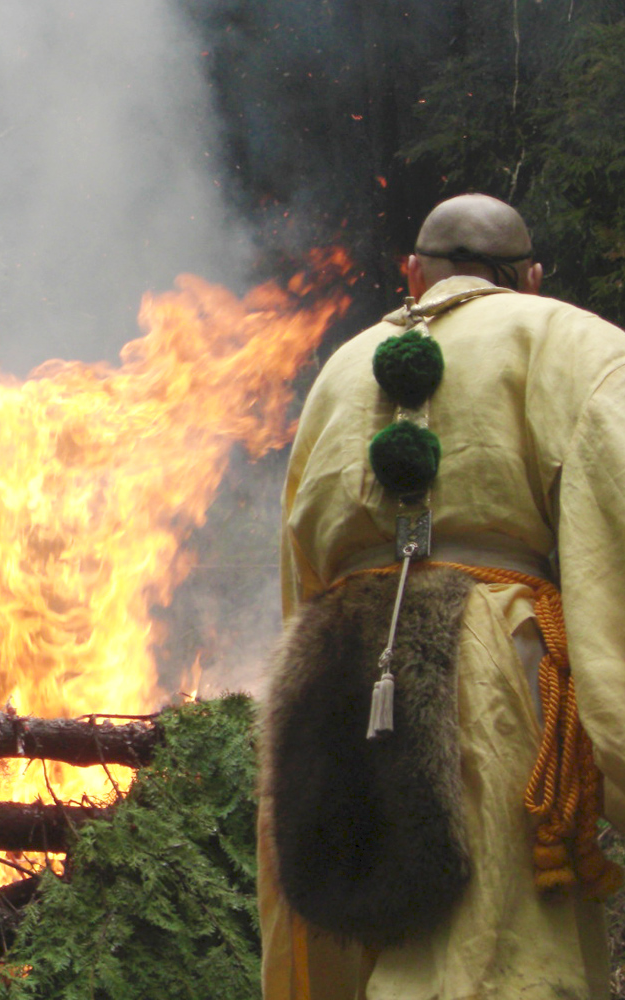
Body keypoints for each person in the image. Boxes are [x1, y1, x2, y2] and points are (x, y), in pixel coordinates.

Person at [257, 193, 625, 1000]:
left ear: (413, 275)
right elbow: (613, 550)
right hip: (489, 672)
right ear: (529, 277)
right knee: (492, 961)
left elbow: (299, 573)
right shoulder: (572, 341)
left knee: (360, 949)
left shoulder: (339, 371)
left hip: (328, 683)